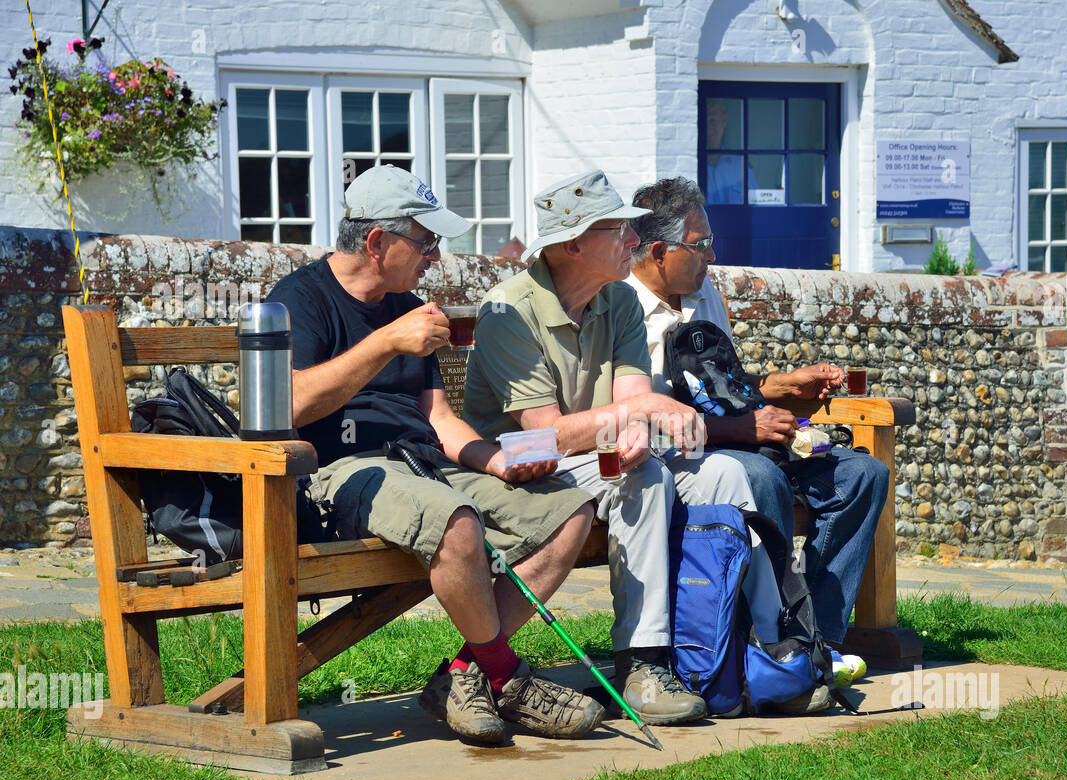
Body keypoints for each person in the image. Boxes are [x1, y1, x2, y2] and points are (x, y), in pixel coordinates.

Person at [466, 169, 828, 724]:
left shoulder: (619, 301)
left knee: (729, 475)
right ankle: (642, 663)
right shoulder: (509, 310)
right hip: (520, 467)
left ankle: (763, 653)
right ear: (572, 244)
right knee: (648, 480)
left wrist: (634, 427)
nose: (633, 241)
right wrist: (634, 418)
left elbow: (634, 398)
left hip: (600, 456)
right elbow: (541, 434)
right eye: (619, 230)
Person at [266, 164, 602, 746]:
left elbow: (439, 419)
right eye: (426, 243)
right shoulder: (299, 299)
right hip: (338, 469)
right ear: (377, 242)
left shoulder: (408, 303)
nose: (436, 257)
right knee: (457, 524)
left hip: (423, 459)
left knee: (568, 511)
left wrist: (496, 461)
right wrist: (385, 342)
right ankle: (505, 675)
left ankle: (465, 673)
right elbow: (289, 405)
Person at [626, 176, 890, 676]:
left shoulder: (704, 295)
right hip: (673, 455)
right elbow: (643, 414)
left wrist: (787, 386)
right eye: (700, 245)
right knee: (760, 477)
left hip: (732, 437)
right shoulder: (621, 310)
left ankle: (819, 642)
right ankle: (768, 642)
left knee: (862, 475)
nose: (711, 256)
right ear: (659, 251)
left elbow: (724, 384)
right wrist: (742, 431)